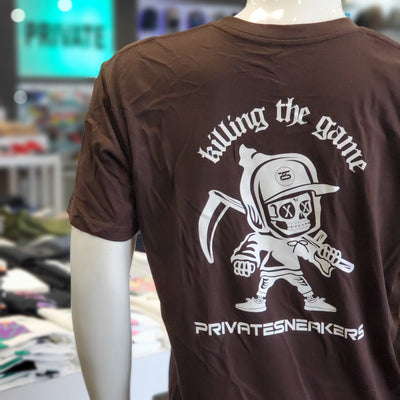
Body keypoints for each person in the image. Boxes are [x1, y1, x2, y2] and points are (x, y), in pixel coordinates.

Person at [68, 0, 400, 398]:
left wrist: (325, 258)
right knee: (273, 279)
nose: (298, 215)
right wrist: (247, 256)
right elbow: (98, 275)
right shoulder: (133, 81)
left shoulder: (140, 77)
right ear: (261, 210)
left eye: (304, 205)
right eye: (286, 207)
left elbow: (96, 276)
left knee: (296, 279)